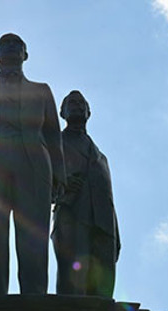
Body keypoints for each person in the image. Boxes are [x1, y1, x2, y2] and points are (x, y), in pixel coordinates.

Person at [0, 33, 66, 295]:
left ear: (25, 55)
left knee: (33, 240)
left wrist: (59, 175)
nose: (11, 47)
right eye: (4, 44)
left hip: (34, 168)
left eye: (17, 44)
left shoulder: (41, 91)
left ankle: (34, 299)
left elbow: (53, 134)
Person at [52, 90, 120, 297]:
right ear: (62, 112)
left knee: (102, 278)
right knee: (74, 278)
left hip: (103, 221)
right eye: (71, 103)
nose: (78, 106)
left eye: (82, 104)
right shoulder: (54, 144)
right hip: (72, 214)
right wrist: (59, 188)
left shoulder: (101, 156)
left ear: (89, 112)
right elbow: (38, 176)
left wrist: (115, 230)